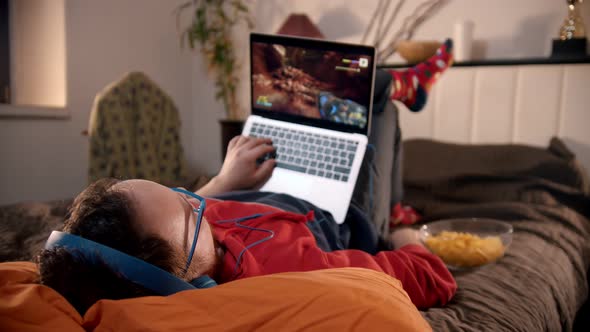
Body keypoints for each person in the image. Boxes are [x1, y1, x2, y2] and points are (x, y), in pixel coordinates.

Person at [38, 40, 457, 315]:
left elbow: (175, 216)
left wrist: (222, 180)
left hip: (266, 193)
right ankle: (408, 91)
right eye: (191, 210)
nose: (198, 199)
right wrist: (407, 239)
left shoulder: (179, 241)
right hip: (342, 213)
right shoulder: (293, 274)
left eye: (178, 190)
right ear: (192, 280)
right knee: (376, 95)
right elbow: (432, 277)